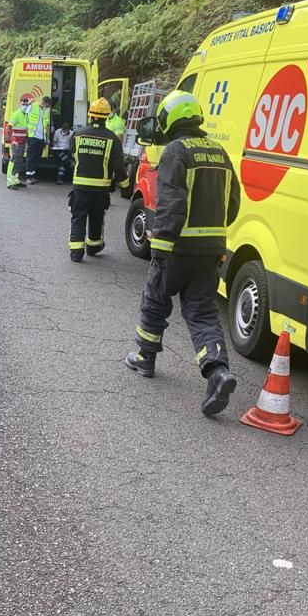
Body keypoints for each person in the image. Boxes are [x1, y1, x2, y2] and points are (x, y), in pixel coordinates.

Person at [125, 90, 241, 417]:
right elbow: (232, 203)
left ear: (169, 119)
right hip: (211, 250)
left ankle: (145, 359)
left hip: (177, 247)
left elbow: (172, 203)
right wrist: (214, 232)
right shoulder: (220, 152)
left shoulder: (176, 151)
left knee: (155, 298)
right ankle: (217, 372)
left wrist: (161, 244)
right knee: (202, 311)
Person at [67, 98, 129, 262]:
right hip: (100, 190)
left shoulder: (78, 134)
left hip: (80, 187)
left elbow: (71, 154)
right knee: (96, 217)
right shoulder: (112, 139)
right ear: (107, 116)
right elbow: (119, 166)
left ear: (90, 115)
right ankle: (93, 246)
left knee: (78, 217)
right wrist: (125, 186)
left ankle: (76, 252)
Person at [24, 96, 52, 184]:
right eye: (47, 105)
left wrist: (46, 139)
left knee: (36, 158)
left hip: (41, 138)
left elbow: (46, 125)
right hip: (32, 136)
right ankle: (28, 177)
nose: (47, 107)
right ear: (44, 103)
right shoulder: (33, 106)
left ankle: (33, 176)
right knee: (30, 157)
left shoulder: (45, 111)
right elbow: (25, 116)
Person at [6, 98, 31, 190]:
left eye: (26, 104)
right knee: (14, 161)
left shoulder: (26, 115)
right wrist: (10, 139)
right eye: (23, 104)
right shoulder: (16, 114)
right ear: (20, 104)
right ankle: (10, 182)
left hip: (22, 142)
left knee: (19, 161)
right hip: (16, 142)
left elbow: (26, 129)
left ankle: (15, 180)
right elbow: (9, 127)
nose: (25, 106)